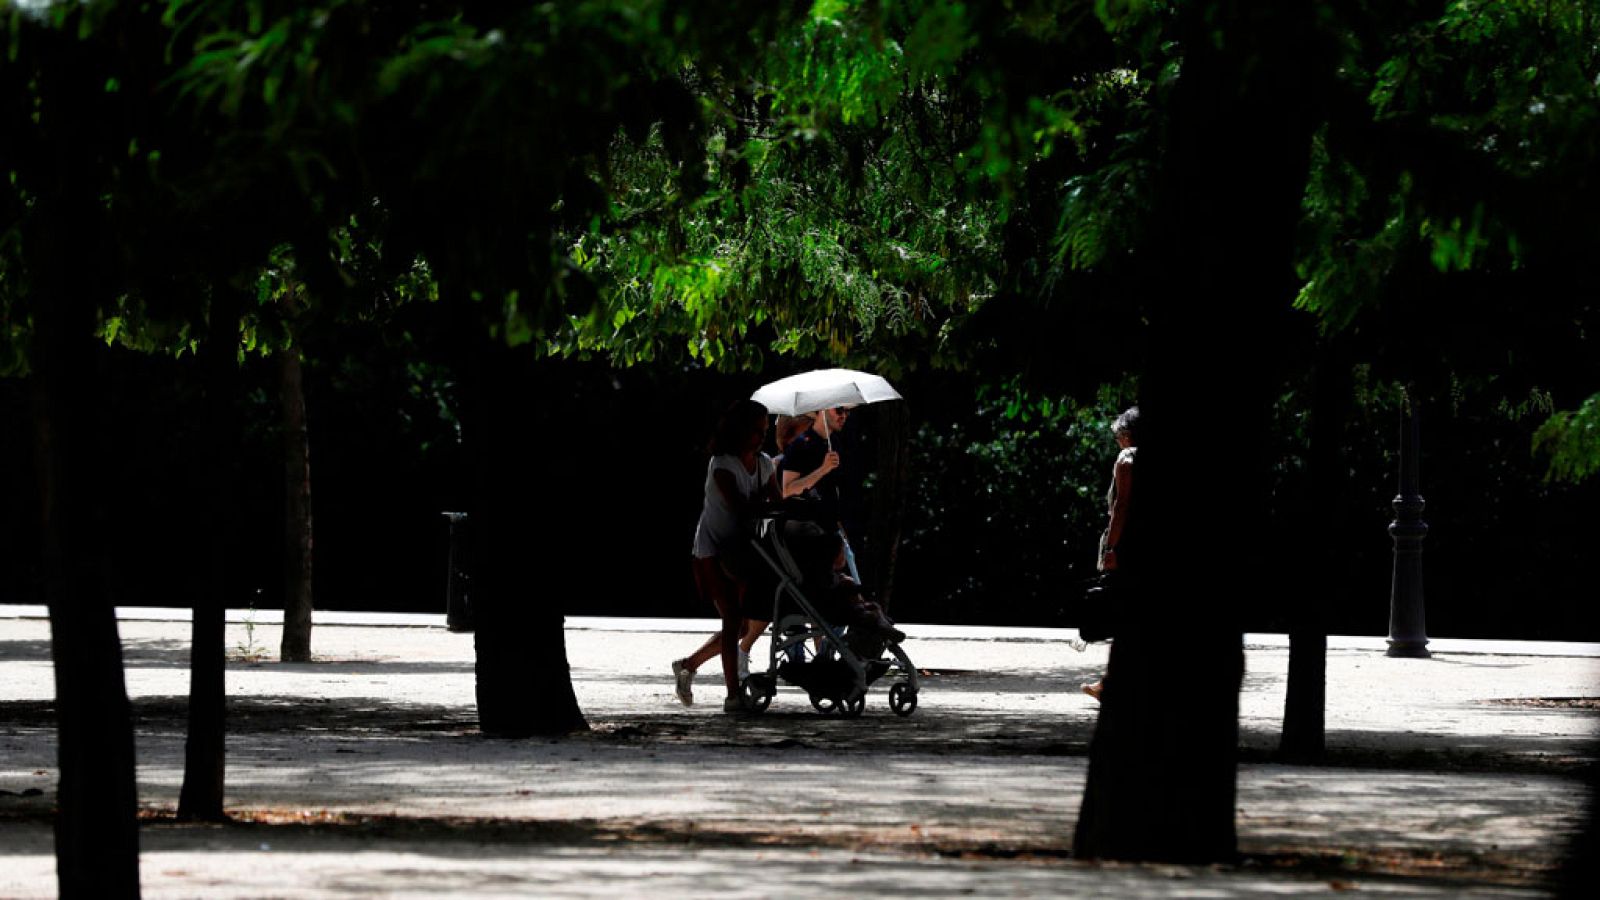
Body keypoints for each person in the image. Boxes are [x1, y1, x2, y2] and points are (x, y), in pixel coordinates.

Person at [672, 400, 782, 713]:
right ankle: (733, 695)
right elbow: (741, 507)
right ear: (740, 430)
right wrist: (765, 501)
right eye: (756, 431)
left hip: (745, 549)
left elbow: (777, 502)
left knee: (746, 621)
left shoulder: (763, 463)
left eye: (765, 431)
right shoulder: (721, 464)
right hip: (714, 548)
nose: (761, 437)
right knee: (733, 618)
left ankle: (689, 664)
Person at [1083, 405, 1138, 702]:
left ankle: (1114, 684)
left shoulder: (1128, 459)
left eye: (1118, 437)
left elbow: (1122, 507)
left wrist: (1112, 548)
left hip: (1129, 548)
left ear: (1127, 435)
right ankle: (1111, 682)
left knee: (1124, 614)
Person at [778, 405, 853, 576]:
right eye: (839, 410)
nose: (844, 416)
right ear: (822, 410)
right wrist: (823, 469)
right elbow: (787, 490)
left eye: (848, 412)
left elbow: (831, 491)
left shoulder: (834, 443)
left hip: (830, 527)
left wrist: (840, 530)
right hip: (809, 534)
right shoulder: (800, 445)